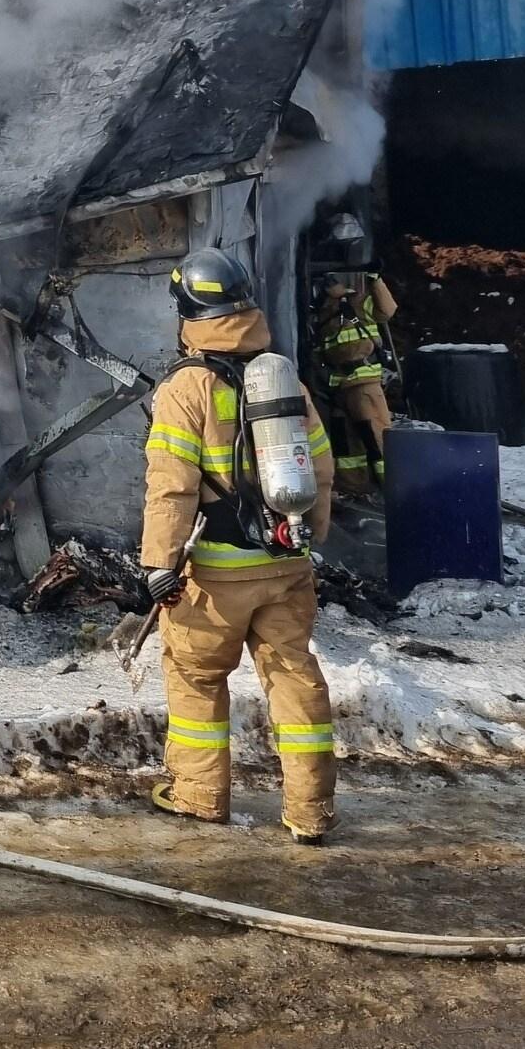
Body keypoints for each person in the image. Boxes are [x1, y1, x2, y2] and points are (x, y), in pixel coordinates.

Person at [141, 247, 338, 844]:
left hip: (216, 575)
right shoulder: (284, 379)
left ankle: (199, 796)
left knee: (196, 677)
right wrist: (308, 535)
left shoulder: (187, 387)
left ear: (188, 312)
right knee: (294, 676)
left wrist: (159, 563)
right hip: (286, 564)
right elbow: (322, 467)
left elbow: (172, 484)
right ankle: (310, 811)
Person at [311, 214, 399, 497]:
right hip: (337, 386)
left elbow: (387, 311)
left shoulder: (360, 297)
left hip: (364, 382)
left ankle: (394, 490)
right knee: (347, 446)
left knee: (378, 438)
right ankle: (355, 490)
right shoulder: (321, 302)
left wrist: (375, 279)